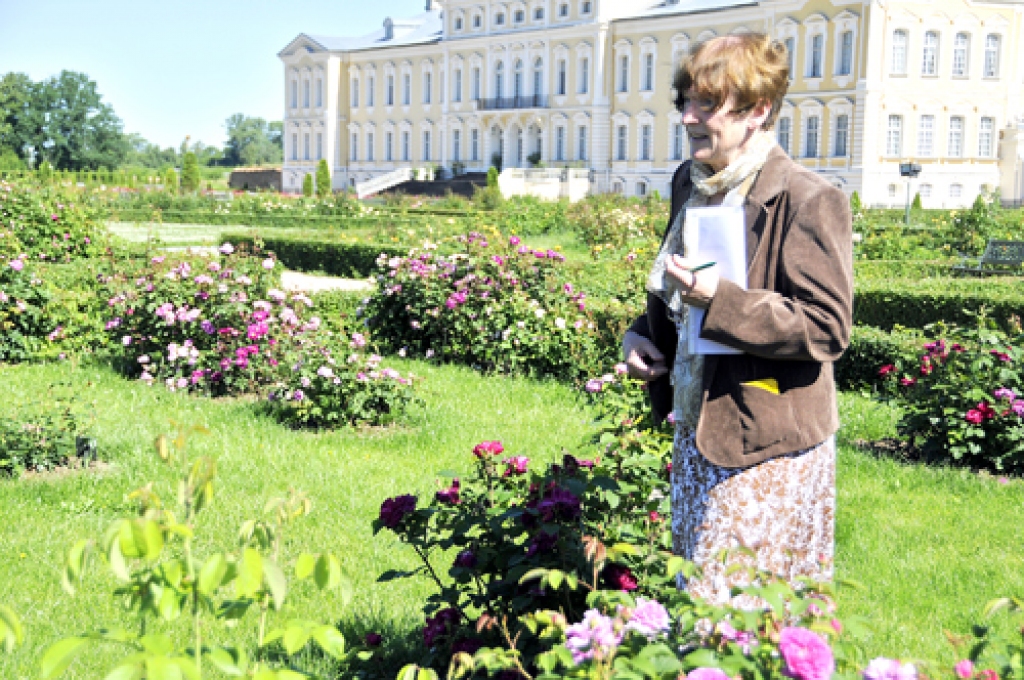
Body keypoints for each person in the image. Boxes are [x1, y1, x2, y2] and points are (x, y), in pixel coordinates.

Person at [622, 33, 853, 605]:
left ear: (758, 111)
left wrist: (717, 299)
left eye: (707, 104)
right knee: (700, 599)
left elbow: (826, 327)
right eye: (685, 103)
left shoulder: (807, 197)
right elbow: (678, 288)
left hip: (767, 441)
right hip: (699, 427)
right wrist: (641, 336)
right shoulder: (690, 183)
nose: (689, 118)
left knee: (740, 610)